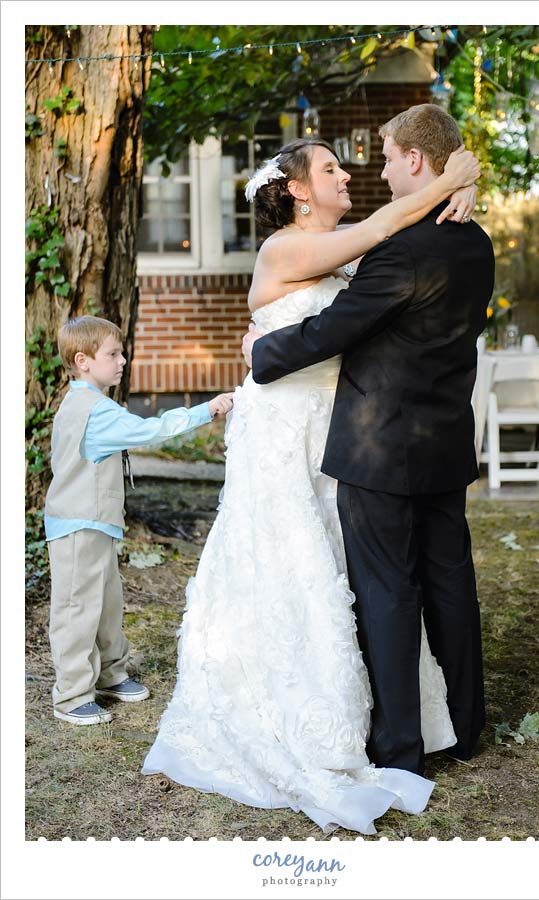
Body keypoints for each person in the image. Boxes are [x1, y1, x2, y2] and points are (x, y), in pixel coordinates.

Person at [142, 132, 480, 835]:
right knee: (295, 572)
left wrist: (465, 185)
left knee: (349, 577)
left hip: (343, 429)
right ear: (297, 188)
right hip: (286, 429)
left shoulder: (349, 242)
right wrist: (456, 174)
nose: (346, 174)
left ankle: (366, 716)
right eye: (329, 168)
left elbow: (398, 237)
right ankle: (297, 716)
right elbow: (395, 220)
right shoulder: (285, 249)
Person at [244, 105, 495, 779]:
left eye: (385, 158)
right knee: (450, 584)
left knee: (387, 593)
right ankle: (467, 726)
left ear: (416, 160)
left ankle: (401, 752)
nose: (375, 170)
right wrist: (463, 182)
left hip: (378, 448)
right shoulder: (476, 240)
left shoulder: (401, 247)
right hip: (444, 443)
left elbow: (334, 330)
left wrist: (262, 355)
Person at [44, 315, 233, 726]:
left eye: (122, 352)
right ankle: (72, 693)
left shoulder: (91, 404)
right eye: (113, 354)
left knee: (107, 604)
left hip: (95, 522)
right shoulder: (94, 411)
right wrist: (207, 410)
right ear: (83, 361)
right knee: (77, 608)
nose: (123, 360)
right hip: (77, 524)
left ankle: (111, 672)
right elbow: (153, 429)